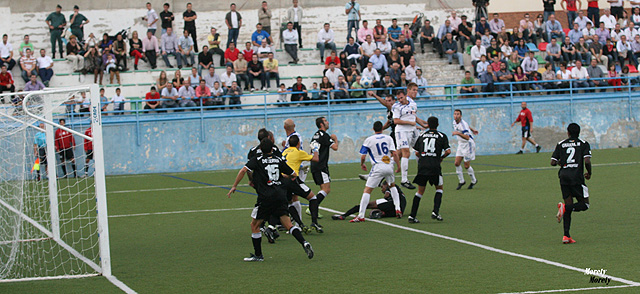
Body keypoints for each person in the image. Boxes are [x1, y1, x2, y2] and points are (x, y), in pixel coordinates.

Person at [227, 138, 314, 262]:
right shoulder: (278, 159)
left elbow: (243, 170)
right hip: (280, 195)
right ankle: (304, 242)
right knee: (288, 224)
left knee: (254, 225)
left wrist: (234, 185)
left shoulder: (257, 159)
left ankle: (258, 255)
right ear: (272, 149)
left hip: (266, 196)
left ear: (261, 149)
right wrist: (280, 177)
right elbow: (293, 174)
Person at [349, 121, 402, 222]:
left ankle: (361, 215)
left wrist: (362, 164)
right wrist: (398, 166)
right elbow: (395, 154)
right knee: (392, 186)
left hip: (378, 167)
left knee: (367, 190)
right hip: (389, 165)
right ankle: (398, 209)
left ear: (373, 129)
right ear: (382, 128)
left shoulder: (369, 140)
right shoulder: (388, 138)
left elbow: (363, 156)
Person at [551, 123, 592, 244]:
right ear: (579, 132)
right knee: (585, 205)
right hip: (576, 178)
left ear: (568, 132)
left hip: (563, 177)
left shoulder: (561, 144)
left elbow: (553, 162)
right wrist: (589, 172)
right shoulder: (583, 144)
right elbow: (587, 160)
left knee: (569, 203)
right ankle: (564, 208)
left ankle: (566, 236)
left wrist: (562, 163)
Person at [408, 116, 451, 223]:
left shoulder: (422, 136)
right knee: (439, 188)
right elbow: (448, 151)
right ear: (437, 124)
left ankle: (412, 216)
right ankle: (435, 212)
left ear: (428, 124)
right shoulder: (441, 136)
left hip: (423, 166)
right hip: (434, 166)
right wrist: (441, 158)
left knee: (419, 192)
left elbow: (417, 152)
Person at [281, 135, 323, 232]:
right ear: (298, 144)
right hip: (292, 180)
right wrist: (315, 149)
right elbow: (316, 159)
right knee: (313, 198)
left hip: (282, 181)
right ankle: (314, 222)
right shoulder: (298, 152)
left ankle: (300, 224)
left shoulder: (284, 152)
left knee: (290, 203)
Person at [393, 85, 429, 189]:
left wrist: (424, 124)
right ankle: (404, 180)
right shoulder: (397, 107)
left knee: (419, 149)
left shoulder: (413, 104)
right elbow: (396, 121)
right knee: (406, 153)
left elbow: (414, 117)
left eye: (401, 97)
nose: (400, 100)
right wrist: (409, 122)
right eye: (398, 98)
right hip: (401, 131)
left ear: (405, 96)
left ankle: (382, 170)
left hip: (412, 131)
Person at [309, 117, 339, 215]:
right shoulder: (324, 136)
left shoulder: (316, 135)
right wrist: (335, 139)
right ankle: (312, 207)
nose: (327, 122)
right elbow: (335, 147)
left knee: (323, 188)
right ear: (321, 124)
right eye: (325, 121)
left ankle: (314, 209)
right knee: (326, 189)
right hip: (320, 166)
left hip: (315, 164)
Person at [451, 109, 479, 191]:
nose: (456, 115)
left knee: (466, 165)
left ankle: (474, 180)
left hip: (468, 144)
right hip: (461, 144)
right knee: (456, 163)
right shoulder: (454, 122)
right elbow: (467, 127)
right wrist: (473, 130)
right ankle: (461, 181)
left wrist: (458, 133)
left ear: (461, 116)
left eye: (458, 114)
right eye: (455, 114)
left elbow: (467, 137)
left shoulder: (462, 125)